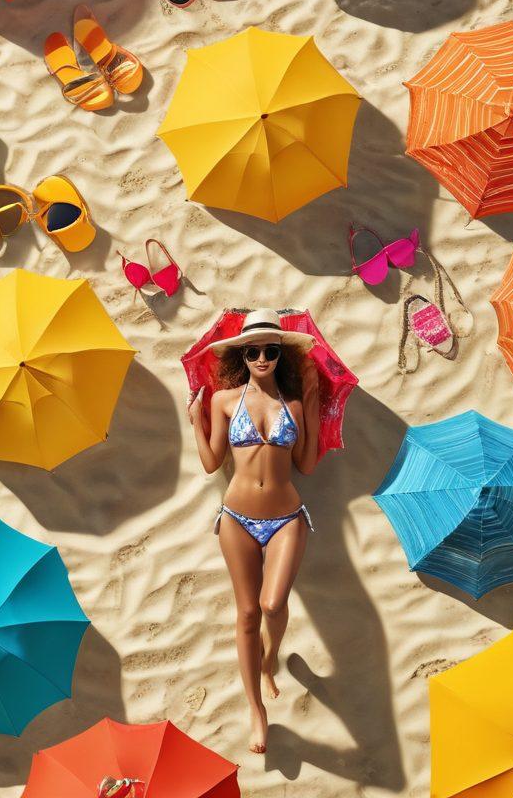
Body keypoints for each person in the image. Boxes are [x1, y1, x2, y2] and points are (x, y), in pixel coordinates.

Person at [187, 309, 320, 755]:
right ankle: (256, 710)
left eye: (270, 351)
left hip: (286, 518)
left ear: (280, 355)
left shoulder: (294, 406)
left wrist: (312, 406)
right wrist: (196, 422)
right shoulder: (225, 401)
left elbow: (306, 465)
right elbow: (211, 464)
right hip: (237, 519)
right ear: (242, 356)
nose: (262, 358)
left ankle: (269, 657)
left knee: (272, 604)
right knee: (247, 613)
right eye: (253, 351)